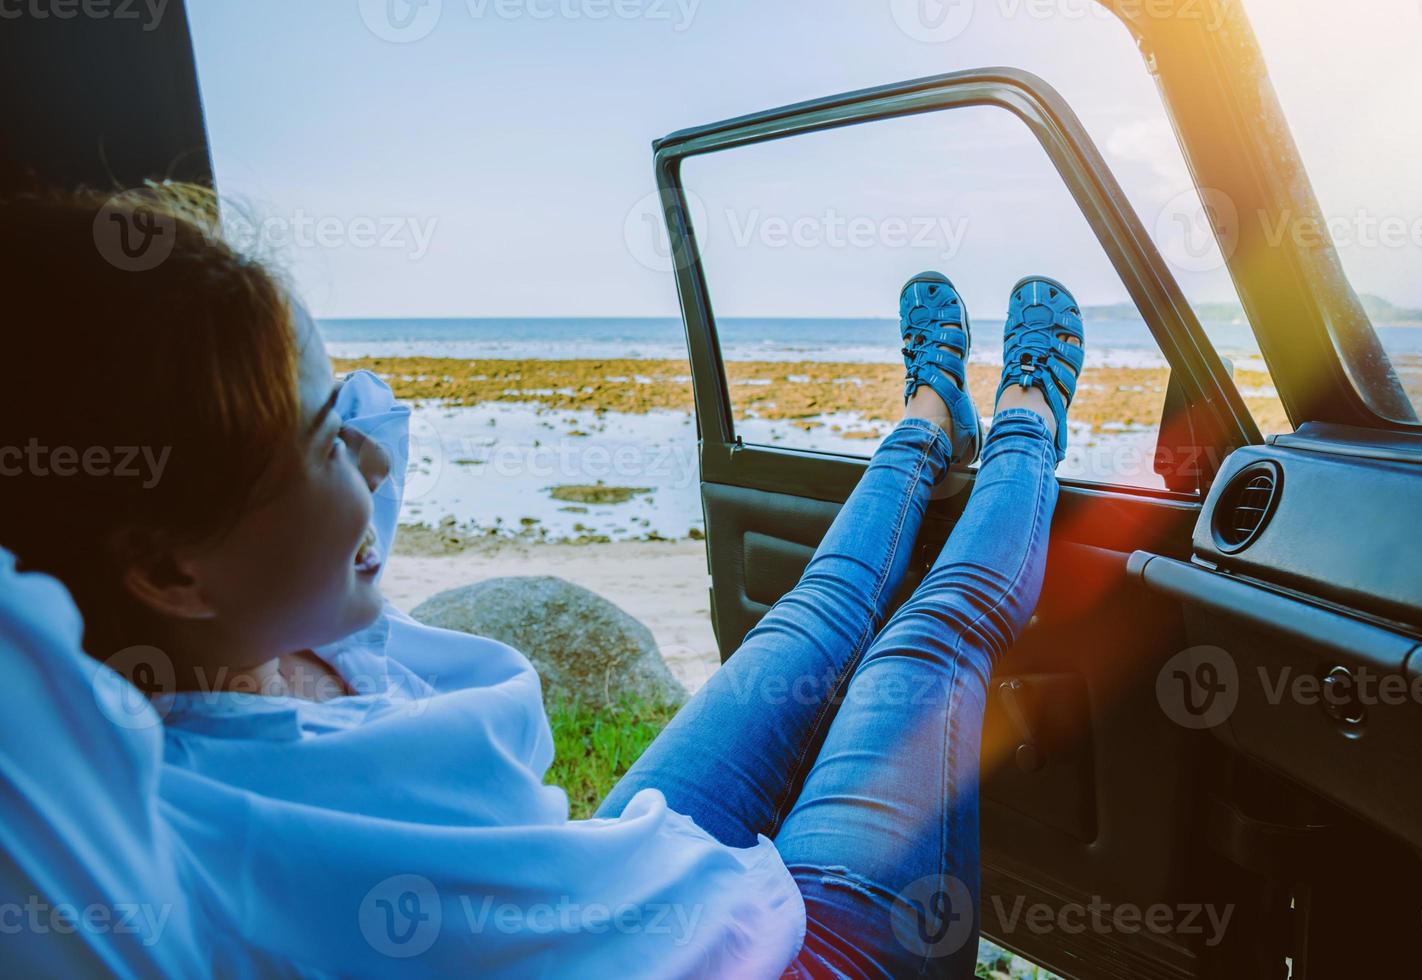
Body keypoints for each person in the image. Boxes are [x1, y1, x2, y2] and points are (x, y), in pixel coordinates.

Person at [0, 186, 1082, 977]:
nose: (375, 466)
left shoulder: (267, 611)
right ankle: (1032, 409)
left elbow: (346, 414)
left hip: (606, 872)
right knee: (927, 635)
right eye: (329, 443)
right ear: (166, 565)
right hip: (791, 959)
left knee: (810, 612)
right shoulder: (163, 844)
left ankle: (925, 416)